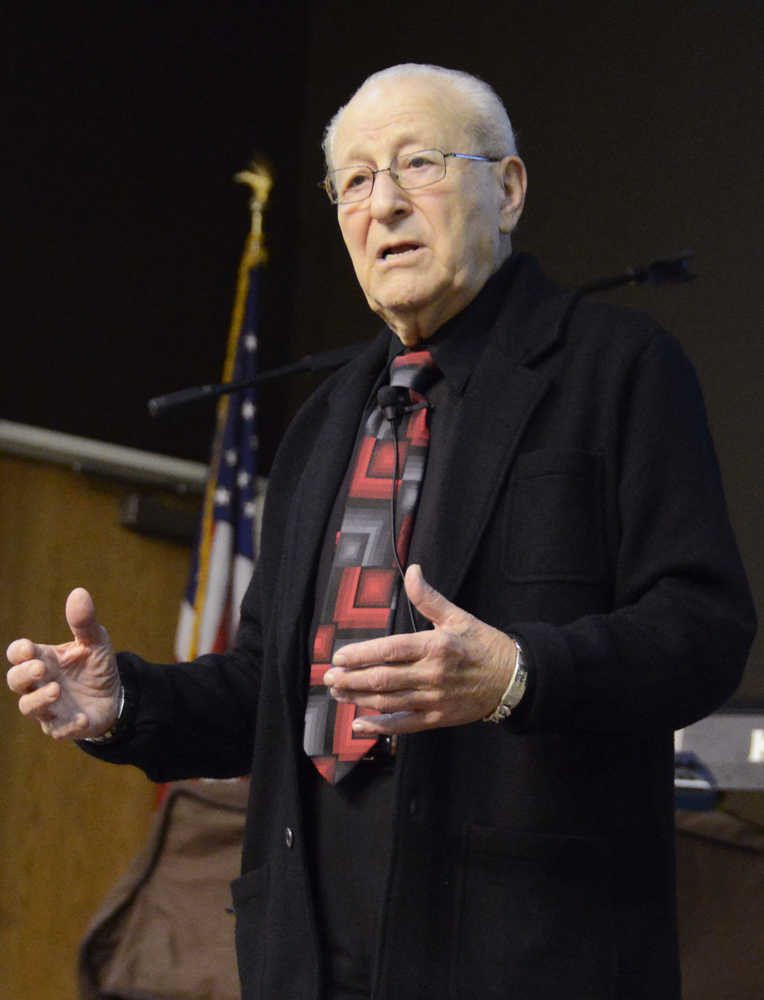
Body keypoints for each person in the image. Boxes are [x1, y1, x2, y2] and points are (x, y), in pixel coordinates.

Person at [6, 64, 756, 1000]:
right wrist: (124, 707)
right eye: (355, 181)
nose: (385, 204)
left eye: (420, 164)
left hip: (529, 953)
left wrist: (518, 675)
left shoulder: (618, 372)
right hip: (309, 955)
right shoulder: (326, 422)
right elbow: (269, 687)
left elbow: (704, 628)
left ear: (509, 189)